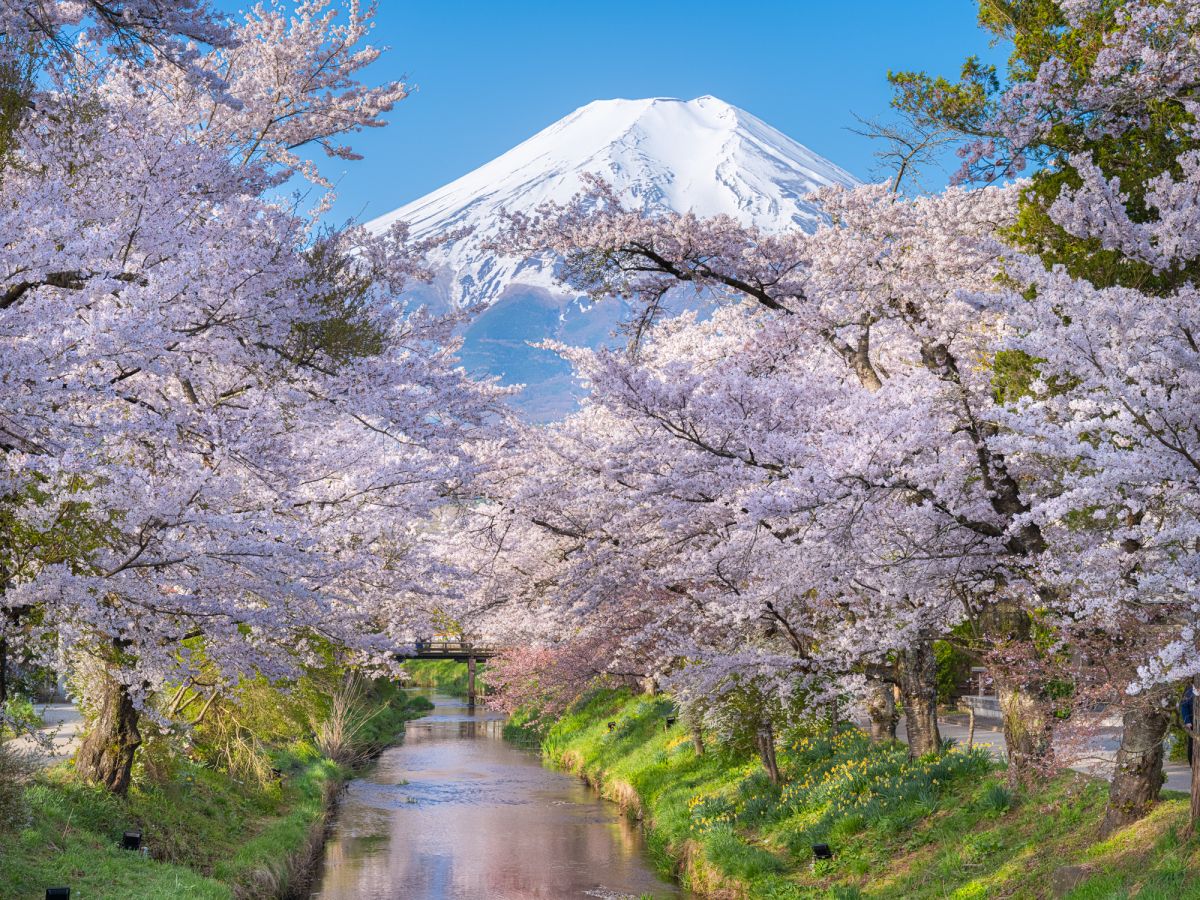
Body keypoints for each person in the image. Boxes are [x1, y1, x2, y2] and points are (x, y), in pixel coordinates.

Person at [1181, 683, 1195, 768]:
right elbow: (1184, 706)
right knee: (1192, 743)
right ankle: (1192, 765)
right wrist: (1187, 722)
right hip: (1193, 721)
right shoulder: (1189, 691)